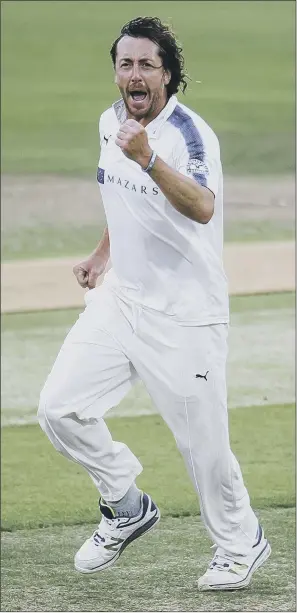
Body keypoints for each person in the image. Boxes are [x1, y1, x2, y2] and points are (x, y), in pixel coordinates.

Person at [38, 16, 271, 591]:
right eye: (126, 64)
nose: (135, 74)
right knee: (58, 409)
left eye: (147, 64)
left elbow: (201, 207)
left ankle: (241, 544)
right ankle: (125, 502)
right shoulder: (110, 122)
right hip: (122, 302)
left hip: (186, 313)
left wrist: (147, 158)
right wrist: (101, 257)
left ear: (167, 73)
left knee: (204, 448)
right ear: (116, 73)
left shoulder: (190, 135)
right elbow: (125, 201)